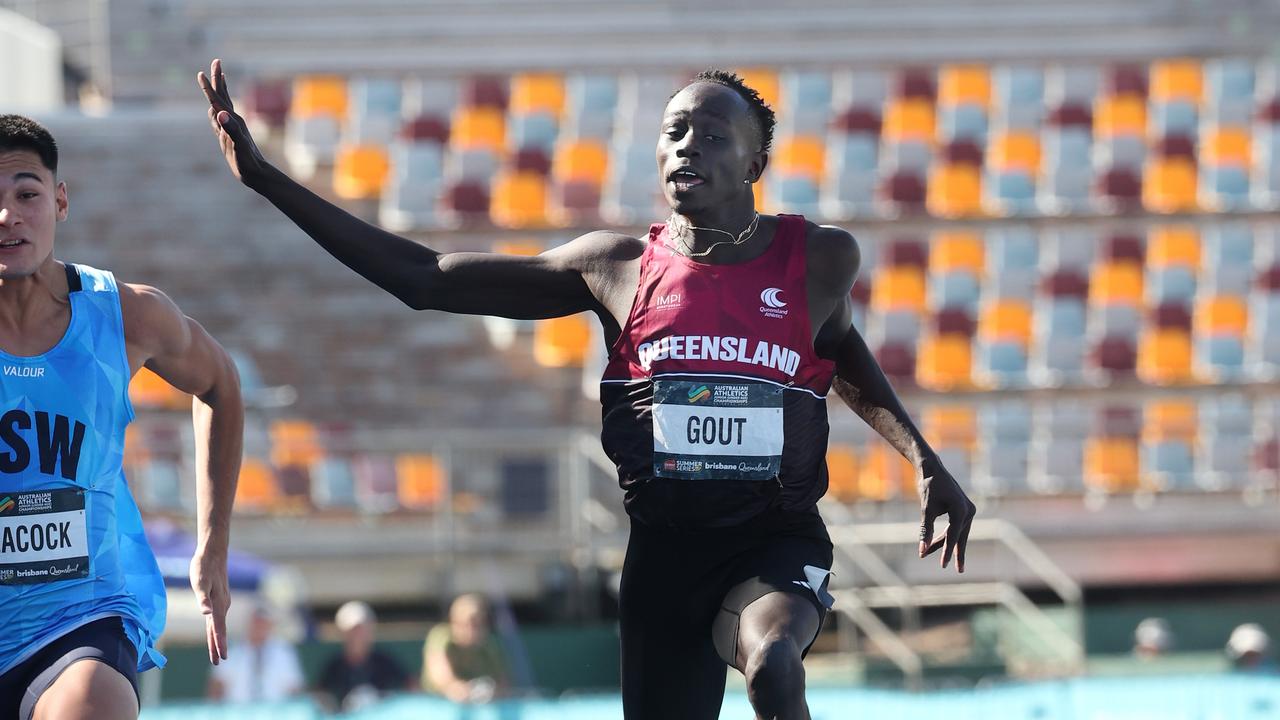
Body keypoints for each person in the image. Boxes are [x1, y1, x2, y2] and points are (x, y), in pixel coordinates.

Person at [199, 60, 975, 720]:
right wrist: (269, 181)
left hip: (773, 540)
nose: (688, 146)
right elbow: (425, 279)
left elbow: (837, 350)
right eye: (674, 132)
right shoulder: (617, 268)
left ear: (753, 163)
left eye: (712, 135)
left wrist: (925, 459)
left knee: (775, 667)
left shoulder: (819, 259)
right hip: (665, 559)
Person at [0, 114, 244, 720]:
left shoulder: (123, 315)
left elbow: (220, 383)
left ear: (60, 201)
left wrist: (213, 544)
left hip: (75, 621)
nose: (7, 215)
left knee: (94, 703)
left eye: (26, 194)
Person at [316, 600, 411, 712]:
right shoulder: (333, 667)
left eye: (362, 630)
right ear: (343, 633)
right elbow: (319, 696)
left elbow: (411, 687)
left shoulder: (386, 662)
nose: (358, 636)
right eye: (353, 631)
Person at [207, 602, 304, 704]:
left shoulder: (284, 653)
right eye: (256, 623)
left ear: (270, 626)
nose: (259, 627)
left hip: (275, 710)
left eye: (263, 623)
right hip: (237, 710)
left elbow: (295, 687)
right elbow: (216, 686)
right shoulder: (231, 652)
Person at [423, 593, 510, 703]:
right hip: (435, 703)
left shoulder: (488, 646)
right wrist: (456, 689)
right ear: (454, 622)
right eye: (467, 623)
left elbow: (502, 684)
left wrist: (489, 692)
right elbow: (440, 676)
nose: (472, 629)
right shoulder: (440, 636)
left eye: (478, 623)